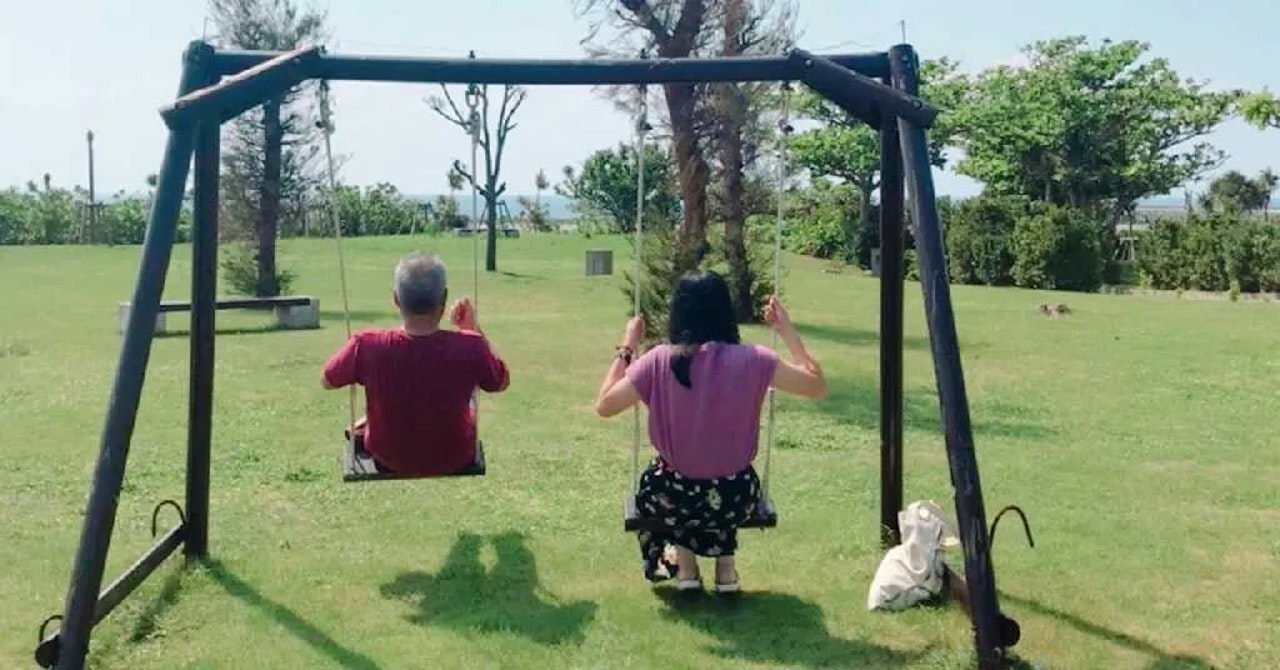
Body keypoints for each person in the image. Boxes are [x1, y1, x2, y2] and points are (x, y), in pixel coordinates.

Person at [594, 270, 827, 592]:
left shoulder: (659, 359)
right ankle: (725, 569)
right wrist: (786, 331)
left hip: (673, 495)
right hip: (736, 496)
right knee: (718, 486)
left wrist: (627, 346)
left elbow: (604, 405)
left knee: (672, 482)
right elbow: (816, 386)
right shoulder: (755, 359)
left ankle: (687, 567)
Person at [322, 252, 510, 476]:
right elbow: (500, 381)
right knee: (464, 396)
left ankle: (365, 424)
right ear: (444, 298)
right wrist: (471, 328)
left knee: (388, 397)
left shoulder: (367, 345)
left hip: (388, 456)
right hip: (455, 455)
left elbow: (327, 380)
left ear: (395, 299)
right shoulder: (471, 345)